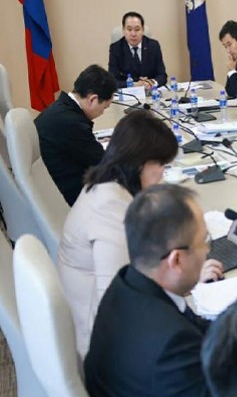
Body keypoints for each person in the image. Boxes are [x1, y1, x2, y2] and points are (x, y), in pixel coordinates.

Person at [84, 185, 223, 397]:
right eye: (204, 241)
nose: (207, 251)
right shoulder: (169, 346)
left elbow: (194, 325)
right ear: (176, 260)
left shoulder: (127, 284)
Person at [57, 110, 195, 359]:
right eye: (161, 165)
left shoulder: (106, 186)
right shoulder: (109, 210)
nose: (163, 174)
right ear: (141, 164)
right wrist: (183, 283)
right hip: (104, 348)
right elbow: (119, 304)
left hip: (101, 326)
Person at [34, 64, 116, 205]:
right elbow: (104, 164)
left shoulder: (62, 108)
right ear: (92, 99)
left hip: (50, 186)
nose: (102, 113)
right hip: (68, 197)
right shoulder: (72, 123)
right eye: (104, 107)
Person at [108, 11, 167, 89]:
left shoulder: (153, 46)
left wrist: (151, 82)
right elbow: (112, 81)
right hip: (128, 93)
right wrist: (134, 84)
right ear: (123, 30)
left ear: (143, 30)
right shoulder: (116, 48)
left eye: (137, 29)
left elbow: (162, 76)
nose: (133, 34)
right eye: (129, 29)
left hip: (150, 92)